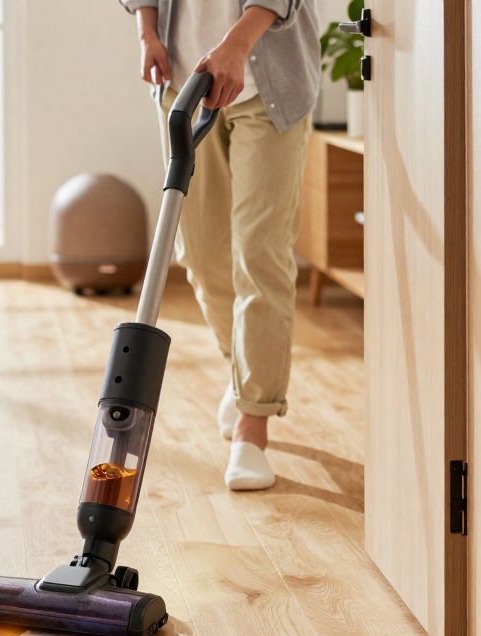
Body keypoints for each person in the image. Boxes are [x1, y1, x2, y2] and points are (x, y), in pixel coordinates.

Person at [119, 0, 321, 490]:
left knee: (260, 253)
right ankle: (242, 374)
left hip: (266, 83)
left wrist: (237, 43)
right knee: (203, 254)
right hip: (185, 84)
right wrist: (148, 32)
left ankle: (252, 428)